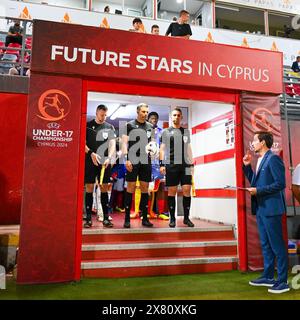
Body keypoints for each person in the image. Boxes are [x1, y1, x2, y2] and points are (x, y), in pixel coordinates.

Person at [243, 131, 289, 294]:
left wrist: (259, 190)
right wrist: (247, 166)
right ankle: (268, 276)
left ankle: (283, 281)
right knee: (266, 244)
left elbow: (280, 184)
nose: (252, 143)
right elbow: (256, 182)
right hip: (262, 209)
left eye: (255, 141)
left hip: (272, 209)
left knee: (277, 245)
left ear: (263, 142)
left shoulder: (274, 159)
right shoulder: (260, 159)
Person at [159, 108, 195, 228]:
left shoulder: (186, 132)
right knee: (172, 192)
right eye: (174, 115)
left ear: (181, 117)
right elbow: (162, 149)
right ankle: (172, 218)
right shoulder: (166, 132)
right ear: (171, 116)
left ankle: (186, 218)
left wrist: (192, 164)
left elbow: (189, 148)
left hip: (185, 165)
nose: (176, 117)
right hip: (171, 165)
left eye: (178, 115)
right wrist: (161, 164)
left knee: (186, 190)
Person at [122, 103, 155, 228]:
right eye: (143, 112)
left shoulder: (150, 127)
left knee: (145, 188)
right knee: (130, 187)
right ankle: (127, 219)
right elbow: (124, 143)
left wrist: (153, 151)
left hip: (146, 160)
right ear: (137, 111)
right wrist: (126, 159)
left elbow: (152, 143)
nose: (145, 114)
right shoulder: (129, 125)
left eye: (147, 112)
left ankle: (145, 218)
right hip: (132, 159)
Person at [84, 104, 116, 228]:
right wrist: (91, 153)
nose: (103, 117)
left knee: (103, 188)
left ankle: (106, 218)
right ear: (97, 112)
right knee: (90, 187)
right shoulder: (87, 125)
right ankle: (88, 219)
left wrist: (109, 157)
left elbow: (112, 144)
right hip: (90, 160)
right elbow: (82, 143)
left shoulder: (109, 127)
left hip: (104, 163)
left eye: (105, 115)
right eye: (102, 114)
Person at [147, 112, 168, 220]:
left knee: (160, 187)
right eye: (152, 118)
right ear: (148, 119)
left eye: (156, 119)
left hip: (158, 164)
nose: (154, 120)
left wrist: (163, 163)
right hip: (147, 163)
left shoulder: (162, 132)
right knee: (147, 188)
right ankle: (147, 212)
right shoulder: (143, 131)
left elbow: (164, 149)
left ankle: (161, 212)